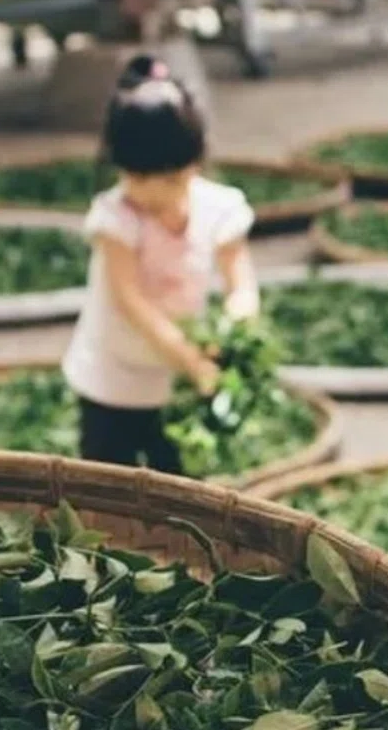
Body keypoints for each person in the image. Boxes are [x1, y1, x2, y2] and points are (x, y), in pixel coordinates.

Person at [62, 55, 260, 472]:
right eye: (136, 180)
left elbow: (240, 283)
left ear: (195, 166)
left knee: (178, 486)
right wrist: (189, 359)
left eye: (170, 181)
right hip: (112, 378)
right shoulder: (115, 219)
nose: (151, 196)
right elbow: (130, 301)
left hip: (176, 383)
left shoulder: (220, 210)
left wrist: (234, 326)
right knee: (106, 486)